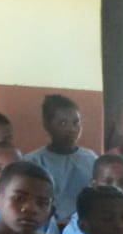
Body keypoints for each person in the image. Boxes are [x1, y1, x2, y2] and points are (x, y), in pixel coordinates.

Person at [25, 94, 98, 225]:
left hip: (85, 225)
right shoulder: (33, 161)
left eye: (76, 122)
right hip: (47, 226)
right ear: (47, 125)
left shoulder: (91, 158)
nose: (72, 129)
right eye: (63, 123)